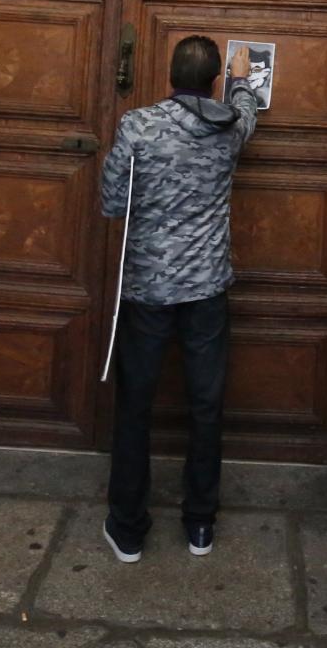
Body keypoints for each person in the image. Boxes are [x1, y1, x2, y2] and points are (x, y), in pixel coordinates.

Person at [99, 36, 258, 562]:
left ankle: (127, 528)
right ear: (213, 78)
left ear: (169, 74)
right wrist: (242, 79)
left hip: (147, 287)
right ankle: (200, 525)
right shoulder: (229, 127)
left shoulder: (138, 124)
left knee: (135, 406)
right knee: (206, 404)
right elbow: (247, 108)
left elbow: (111, 201)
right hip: (207, 287)